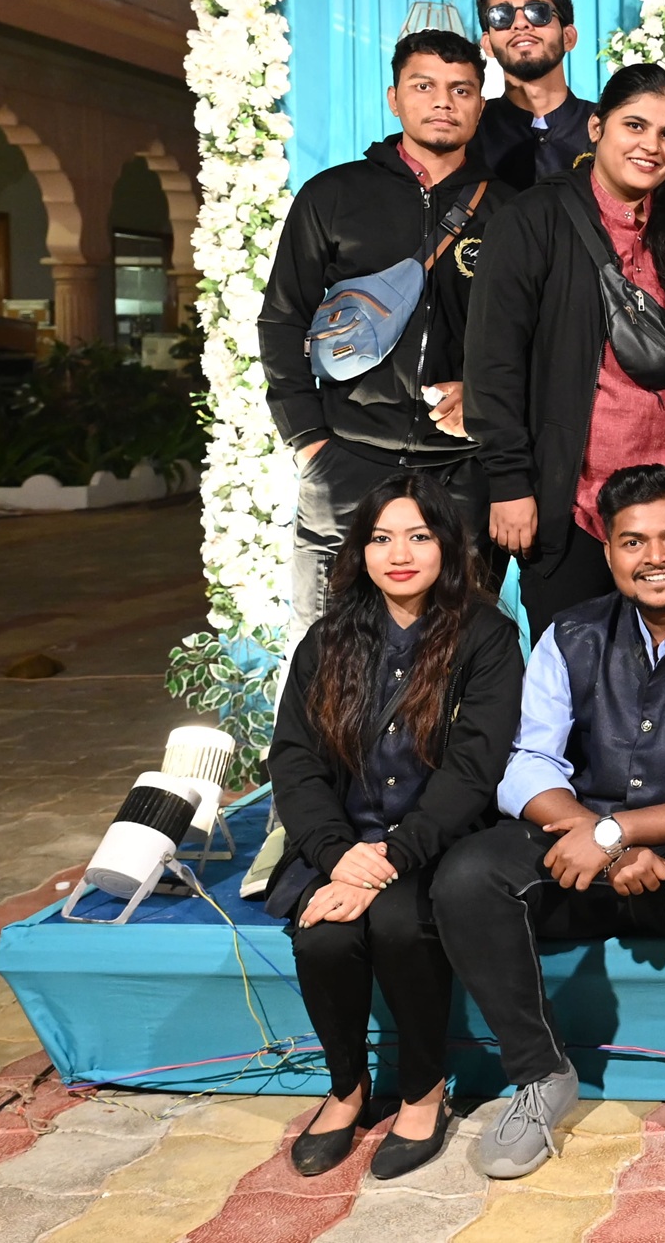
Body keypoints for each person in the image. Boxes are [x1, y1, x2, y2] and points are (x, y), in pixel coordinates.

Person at [431, 465, 665, 1179]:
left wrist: (619, 832)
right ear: (608, 553)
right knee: (467, 875)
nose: (655, 557)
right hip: (581, 849)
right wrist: (602, 840)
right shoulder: (569, 633)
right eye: (633, 542)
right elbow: (526, 762)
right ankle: (541, 1074)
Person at [268, 476, 523, 1181]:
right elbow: (294, 760)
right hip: (342, 845)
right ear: (361, 550)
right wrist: (336, 854)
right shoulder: (328, 640)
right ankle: (346, 1088)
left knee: (401, 924)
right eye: (381, 538)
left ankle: (422, 1090)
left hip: (437, 843)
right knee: (323, 935)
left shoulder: (486, 636)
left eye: (418, 536)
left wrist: (390, 858)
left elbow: (475, 767)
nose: (399, 554)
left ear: (448, 545)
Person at [260, 28, 505, 642]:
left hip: (462, 471)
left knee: (453, 655)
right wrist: (309, 440)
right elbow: (283, 316)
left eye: (461, 89)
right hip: (347, 459)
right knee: (331, 652)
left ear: (480, 104)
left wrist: (484, 399)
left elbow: (536, 339)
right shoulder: (333, 195)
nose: (443, 101)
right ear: (394, 99)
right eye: (424, 86)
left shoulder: (512, 210)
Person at [466, 64, 665, 637]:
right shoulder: (532, 220)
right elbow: (493, 364)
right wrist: (509, 483)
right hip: (572, 499)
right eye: (635, 125)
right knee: (576, 668)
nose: (651, 146)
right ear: (596, 127)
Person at [473, 0, 593, 188]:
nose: (520, 24)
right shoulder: (470, 130)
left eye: (538, 12)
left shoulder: (606, 128)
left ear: (568, 37)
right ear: (487, 44)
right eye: (501, 16)